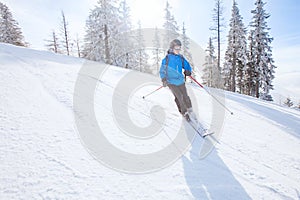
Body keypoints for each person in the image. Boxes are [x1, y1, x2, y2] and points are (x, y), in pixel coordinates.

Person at [159, 39, 194, 122]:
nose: (178, 50)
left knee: (185, 96)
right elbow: (162, 70)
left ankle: (190, 109)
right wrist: (164, 79)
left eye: (179, 48)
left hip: (180, 81)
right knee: (179, 97)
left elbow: (187, 65)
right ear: (171, 48)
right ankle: (184, 112)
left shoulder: (180, 58)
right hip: (170, 82)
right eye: (176, 48)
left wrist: (188, 71)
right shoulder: (167, 59)